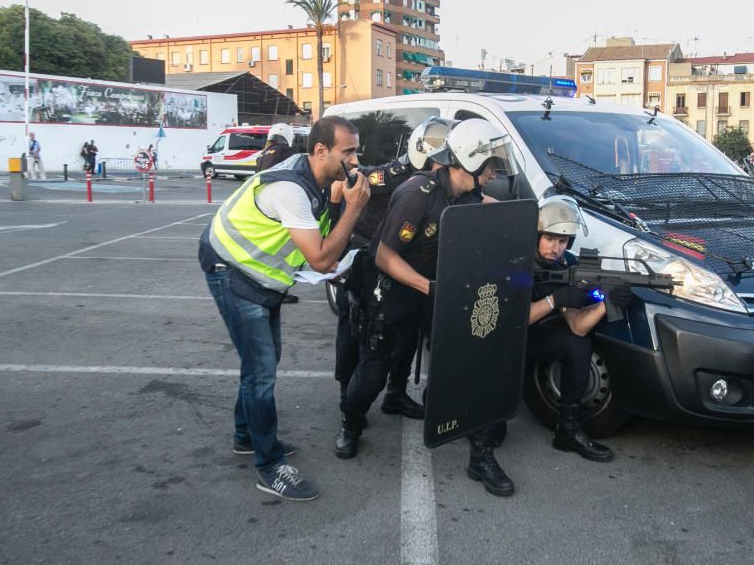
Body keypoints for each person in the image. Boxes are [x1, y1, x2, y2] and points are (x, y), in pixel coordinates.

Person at [335, 120, 520, 497]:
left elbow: (488, 207)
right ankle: (351, 422)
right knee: (373, 371)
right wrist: (430, 288)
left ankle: (479, 452)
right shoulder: (416, 195)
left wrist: (526, 220)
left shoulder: (467, 194)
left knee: (469, 358)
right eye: (487, 167)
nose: (491, 175)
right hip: (394, 287)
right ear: (466, 163)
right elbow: (385, 256)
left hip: (435, 289)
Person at [198, 116, 370, 501]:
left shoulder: (322, 183)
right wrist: (354, 210)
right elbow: (323, 260)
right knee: (261, 372)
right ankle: (269, 465)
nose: (355, 160)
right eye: (349, 151)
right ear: (321, 150)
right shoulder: (291, 189)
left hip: (260, 280)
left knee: (264, 360)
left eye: (357, 151)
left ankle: (246, 435)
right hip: (232, 271)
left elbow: (321, 248)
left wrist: (341, 205)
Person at [331, 117, 457, 421]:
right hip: (366, 257)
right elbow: (341, 185)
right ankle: (348, 400)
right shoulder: (394, 177)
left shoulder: (444, 186)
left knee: (408, 336)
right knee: (355, 329)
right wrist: (335, 236)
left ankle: (396, 394)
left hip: (409, 265)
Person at [525, 197, 631, 464]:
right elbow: (518, 318)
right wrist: (556, 300)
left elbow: (577, 327)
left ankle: (568, 430)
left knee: (577, 344)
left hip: (540, 337)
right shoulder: (520, 262)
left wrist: (608, 302)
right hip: (508, 341)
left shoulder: (564, 266)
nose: (556, 248)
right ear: (537, 235)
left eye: (562, 242)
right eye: (550, 239)